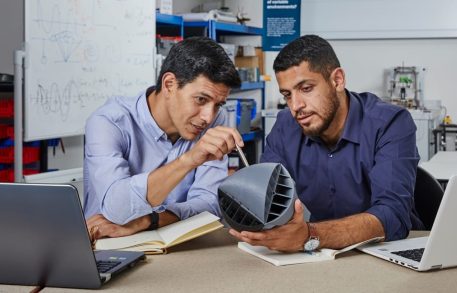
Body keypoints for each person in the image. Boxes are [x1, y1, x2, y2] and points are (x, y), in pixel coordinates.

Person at [230, 35, 423, 252]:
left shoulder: (390, 123)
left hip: (380, 254)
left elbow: (393, 215)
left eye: (306, 88)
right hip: (307, 260)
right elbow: (266, 200)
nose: (295, 106)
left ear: (337, 80)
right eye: (287, 95)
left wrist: (310, 235)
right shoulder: (285, 125)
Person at [84, 37, 243, 239]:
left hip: (179, 247)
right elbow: (117, 210)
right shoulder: (108, 122)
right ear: (169, 84)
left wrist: (149, 220)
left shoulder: (216, 118)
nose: (208, 117)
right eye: (201, 99)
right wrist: (189, 160)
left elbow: (210, 204)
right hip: (108, 246)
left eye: (218, 104)